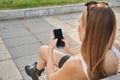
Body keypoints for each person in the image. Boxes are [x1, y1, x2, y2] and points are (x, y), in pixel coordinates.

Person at [25, 1, 120, 80]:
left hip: (76, 72)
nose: (77, 26)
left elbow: (51, 78)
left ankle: (36, 71)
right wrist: (68, 49)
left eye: (79, 22)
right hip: (83, 72)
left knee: (50, 61)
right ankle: (35, 70)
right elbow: (91, 58)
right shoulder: (115, 48)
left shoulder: (75, 64)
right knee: (43, 49)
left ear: (86, 29)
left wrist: (51, 48)